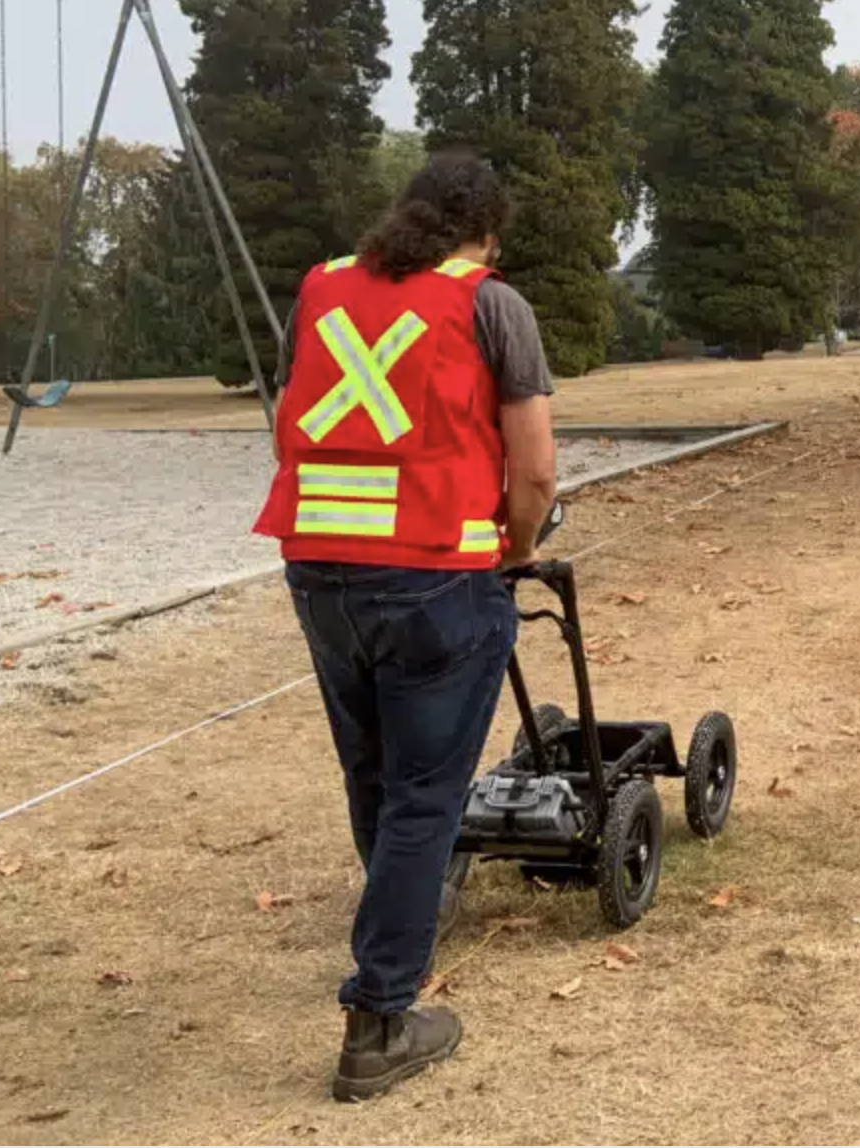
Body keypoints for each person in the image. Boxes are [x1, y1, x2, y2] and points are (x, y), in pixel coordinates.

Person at [252, 152, 559, 1103]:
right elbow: (536, 470)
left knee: (375, 778)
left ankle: (401, 918)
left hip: (321, 571)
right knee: (426, 794)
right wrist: (513, 549)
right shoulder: (490, 303)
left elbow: (287, 423)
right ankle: (381, 1015)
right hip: (438, 574)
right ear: (487, 232)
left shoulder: (323, 289)